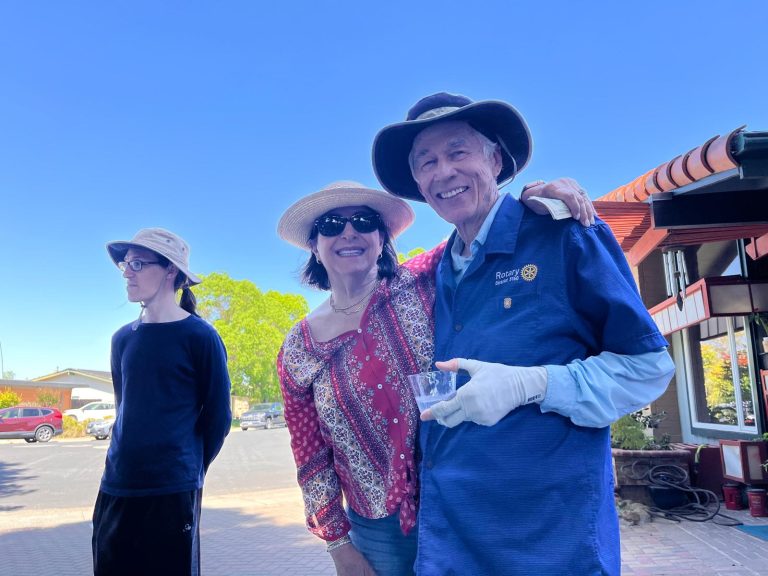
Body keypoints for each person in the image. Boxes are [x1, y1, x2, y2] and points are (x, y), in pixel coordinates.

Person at [371, 92, 675, 575]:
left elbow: (648, 369)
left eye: (457, 151)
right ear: (418, 183)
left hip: (551, 541)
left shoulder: (564, 234)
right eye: (426, 162)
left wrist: (531, 384)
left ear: (495, 160)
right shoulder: (435, 272)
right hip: (452, 539)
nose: (443, 171)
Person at [276, 180, 593, 576]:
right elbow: (310, 454)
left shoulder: (426, 279)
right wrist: (339, 546)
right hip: (377, 527)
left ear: (382, 237)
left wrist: (532, 197)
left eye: (364, 221)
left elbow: (484, 230)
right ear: (314, 245)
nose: (349, 232)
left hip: (461, 499)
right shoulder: (299, 347)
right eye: (331, 225)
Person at [92, 227, 232, 576]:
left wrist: (188, 466)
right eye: (125, 264)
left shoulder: (200, 336)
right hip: (117, 485)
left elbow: (218, 417)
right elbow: (125, 408)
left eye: (138, 264)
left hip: (173, 491)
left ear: (171, 270)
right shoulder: (122, 339)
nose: (127, 272)